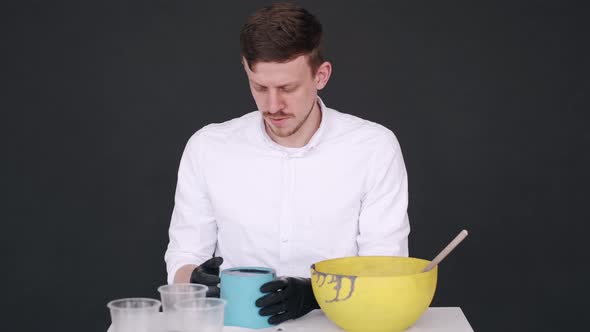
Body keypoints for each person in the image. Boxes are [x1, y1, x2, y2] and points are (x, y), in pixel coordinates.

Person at [164, 2, 410, 325]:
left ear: (321, 76)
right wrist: (193, 282)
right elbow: (183, 257)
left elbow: (385, 272)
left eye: (288, 88)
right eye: (260, 87)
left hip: (339, 326)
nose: (273, 105)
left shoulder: (374, 149)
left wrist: (314, 293)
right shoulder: (207, 149)